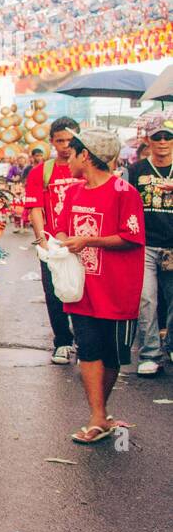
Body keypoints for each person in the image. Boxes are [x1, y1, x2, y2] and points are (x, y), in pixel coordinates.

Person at [54, 129, 144, 443]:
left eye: (73, 151)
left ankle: (101, 414)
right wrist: (58, 244)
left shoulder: (124, 192)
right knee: (88, 349)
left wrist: (89, 240)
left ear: (86, 155)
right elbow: (62, 231)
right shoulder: (74, 193)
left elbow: (131, 238)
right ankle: (96, 416)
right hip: (82, 288)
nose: (67, 156)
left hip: (118, 289)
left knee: (113, 355)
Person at [25, 117, 83, 364]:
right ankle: (62, 342)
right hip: (54, 243)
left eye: (70, 140)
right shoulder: (42, 171)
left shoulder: (86, 167)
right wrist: (42, 241)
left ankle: (84, 341)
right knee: (54, 292)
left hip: (84, 239)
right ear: (52, 142)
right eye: (60, 140)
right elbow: (35, 208)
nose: (66, 146)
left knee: (84, 293)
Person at [126, 115, 173, 376]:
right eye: (158, 137)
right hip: (145, 245)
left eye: (168, 137)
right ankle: (151, 353)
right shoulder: (136, 171)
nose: (163, 142)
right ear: (148, 140)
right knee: (146, 299)